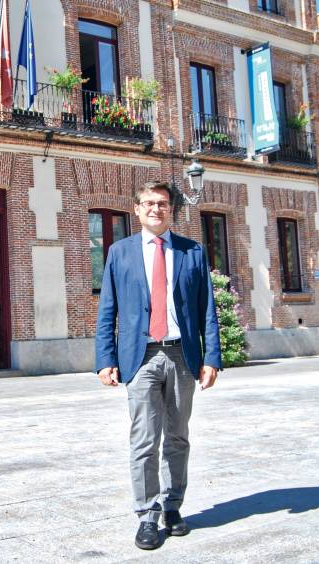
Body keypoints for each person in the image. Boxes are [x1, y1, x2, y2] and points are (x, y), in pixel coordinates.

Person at [95, 180, 222, 550]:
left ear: (171, 210)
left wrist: (212, 357)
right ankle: (147, 516)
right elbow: (107, 310)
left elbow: (207, 310)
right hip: (141, 357)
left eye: (163, 203)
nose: (156, 209)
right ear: (137, 209)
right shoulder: (120, 252)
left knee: (178, 437)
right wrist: (105, 359)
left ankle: (172, 506)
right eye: (149, 203)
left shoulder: (192, 251)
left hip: (183, 355)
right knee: (144, 439)